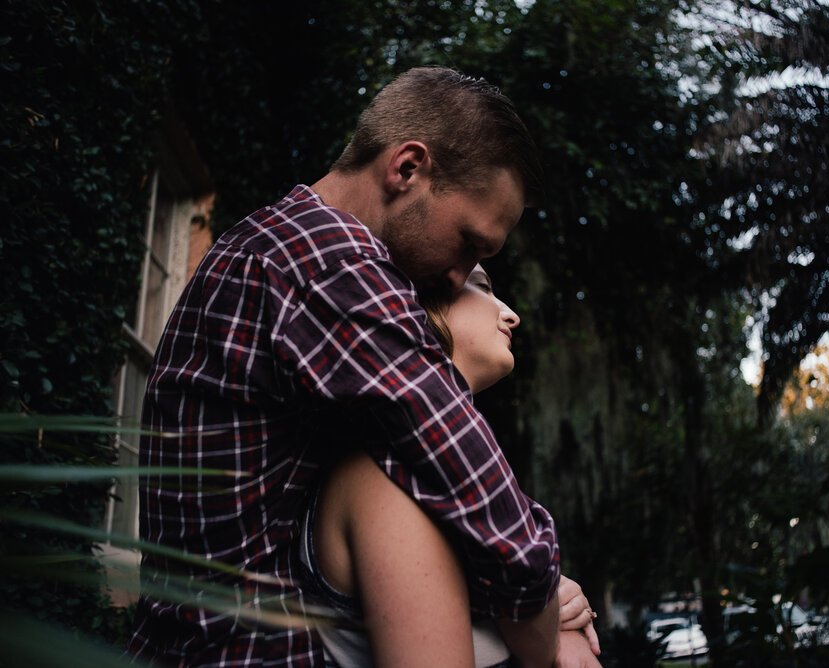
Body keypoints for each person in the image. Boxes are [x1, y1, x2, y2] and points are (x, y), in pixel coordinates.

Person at [127, 66, 596, 666]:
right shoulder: (325, 261)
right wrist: (547, 616)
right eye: (470, 244)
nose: (460, 275)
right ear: (407, 168)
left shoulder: (273, 244)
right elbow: (461, 467)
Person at [297, 265, 602, 667]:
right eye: (482, 289)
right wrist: (549, 619)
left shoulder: (449, 477)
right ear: (419, 305)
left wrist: (553, 607)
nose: (511, 314)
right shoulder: (383, 481)